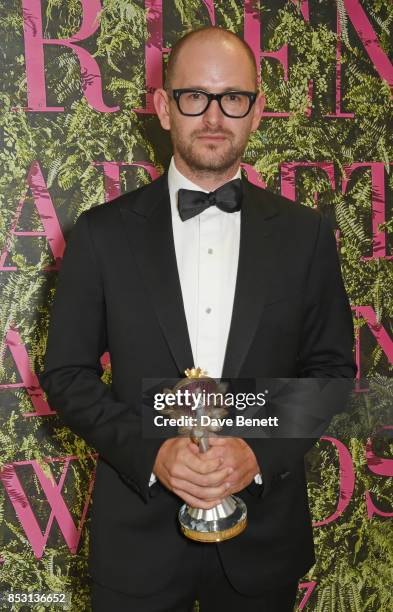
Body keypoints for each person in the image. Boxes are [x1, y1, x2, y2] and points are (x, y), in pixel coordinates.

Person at [39, 26, 356, 612]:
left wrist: (257, 451)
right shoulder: (101, 234)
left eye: (232, 97)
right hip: (135, 545)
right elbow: (67, 374)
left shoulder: (306, 235)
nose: (214, 116)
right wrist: (152, 452)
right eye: (194, 96)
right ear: (163, 107)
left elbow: (334, 370)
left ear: (257, 112)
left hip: (263, 544)